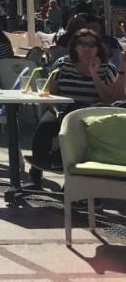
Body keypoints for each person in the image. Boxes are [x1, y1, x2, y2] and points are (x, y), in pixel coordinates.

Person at [29, 28, 123, 185]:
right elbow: (52, 92)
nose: (87, 48)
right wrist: (52, 107)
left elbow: (108, 99)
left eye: (92, 45)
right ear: (75, 47)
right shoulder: (63, 64)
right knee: (43, 128)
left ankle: (64, 168)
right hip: (61, 109)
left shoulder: (107, 68)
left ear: (98, 47)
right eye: (82, 44)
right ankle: (36, 173)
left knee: (75, 124)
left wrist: (94, 74)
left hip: (90, 115)